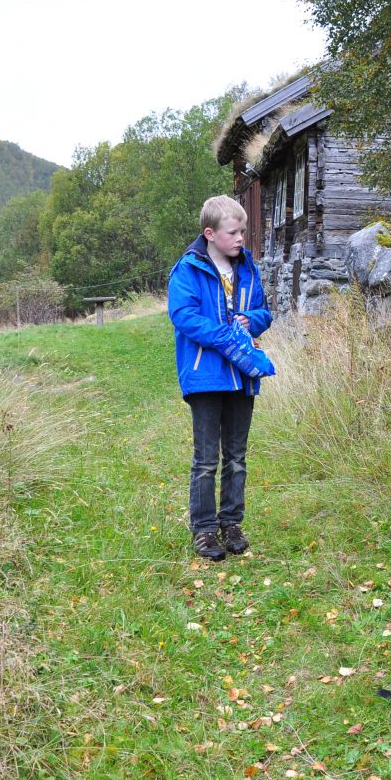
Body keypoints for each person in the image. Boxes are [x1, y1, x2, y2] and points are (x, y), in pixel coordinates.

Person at [167, 195, 275, 561]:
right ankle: (204, 530)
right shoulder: (188, 269)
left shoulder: (247, 268)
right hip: (205, 377)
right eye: (233, 232)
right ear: (210, 234)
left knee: (237, 456)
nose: (241, 238)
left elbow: (264, 311)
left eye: (242, 231)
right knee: (206, 459)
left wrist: (251, 320)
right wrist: (226, 335)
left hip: (242, 377)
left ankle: (231, 524)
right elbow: (183, 316)